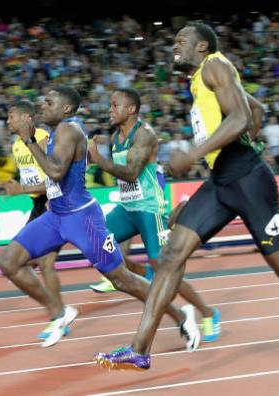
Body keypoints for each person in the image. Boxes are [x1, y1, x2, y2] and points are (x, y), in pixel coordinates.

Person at [95, 22, 279, 370]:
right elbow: (257, 111)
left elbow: (241, 116)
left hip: (250, 181)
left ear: (202, 46)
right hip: (222, 180)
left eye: (181, 41)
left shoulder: (216, 66)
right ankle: (139, 348)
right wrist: (245, 142)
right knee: (171, 257)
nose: (174, 46)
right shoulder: (199, 80)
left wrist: (194, 153)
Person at [0, 86, 200, 349]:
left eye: (49, 101)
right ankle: (60, 313)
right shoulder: (55, 133)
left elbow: (56, 172)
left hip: (82, 219)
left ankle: (181, 315)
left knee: (122, 279)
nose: (43, 105)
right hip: (56, 216)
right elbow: (53, 179)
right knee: (9, 262)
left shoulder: (69, 130)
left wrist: (29, 140)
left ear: (66, 108)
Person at [87, 88, 220, 342]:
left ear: (131, 110)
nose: (110, 110)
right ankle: (144, 275)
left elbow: (131, 173)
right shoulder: (116, 136)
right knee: (99, 245)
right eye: (110, 105)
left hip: (149, 209)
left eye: (115, 106)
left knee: (165, 270)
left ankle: (208, 312)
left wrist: (98, 160)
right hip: (127, 208)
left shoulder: (145, 136)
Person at [1, 100, 69, 340]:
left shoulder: (42, 138)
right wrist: (18, 188)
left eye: (11, 116)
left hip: (56, 203)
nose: (7, 121)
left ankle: (58, 317)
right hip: (38, 205)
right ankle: (59, 314)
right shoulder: (17, 146)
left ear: (27, 118)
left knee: (45, 263)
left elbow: (55, 179)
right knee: (24, 261)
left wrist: (20, 189)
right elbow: (31, 180)